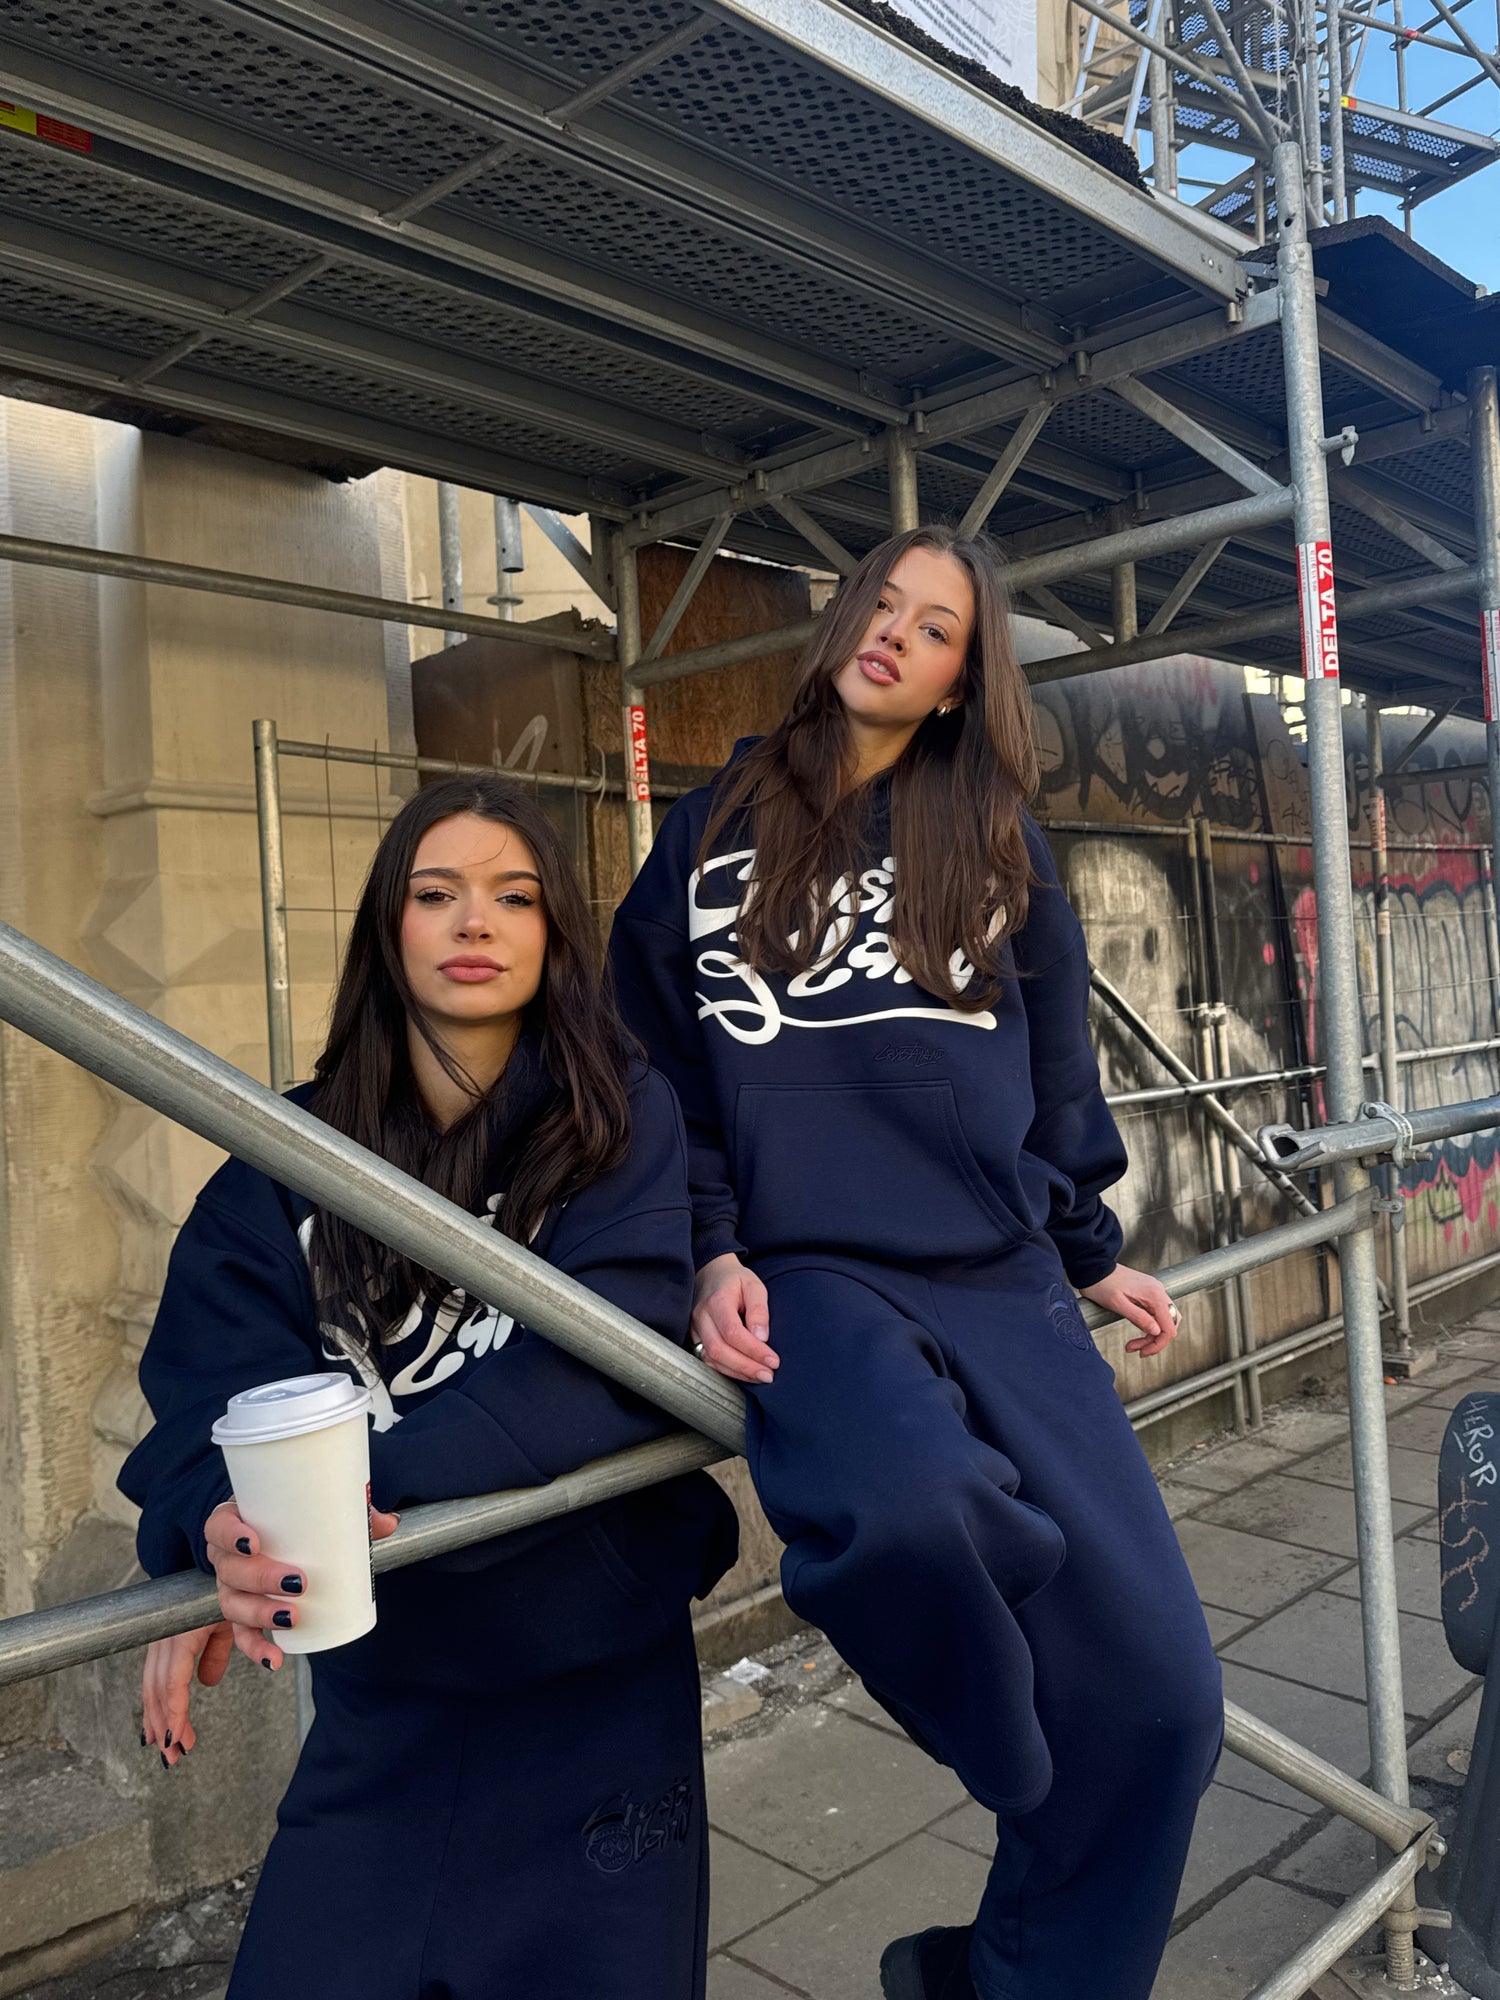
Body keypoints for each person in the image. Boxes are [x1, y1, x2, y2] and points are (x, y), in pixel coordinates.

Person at [609, 526, 1223, 2000]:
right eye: (878, 604)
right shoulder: (708, 831)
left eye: (934, 625)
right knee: (911, 1515)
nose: (893, 632)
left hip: (1001, 1270)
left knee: (1167, 1708)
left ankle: (994, 1981)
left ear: (961, 678)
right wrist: (707, 1248)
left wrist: (1088, 1251)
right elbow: (652, 1073)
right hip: (812, 1271)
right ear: (841, 626)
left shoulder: (997, 839)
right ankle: (1023, 1756)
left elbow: (1060, 1075)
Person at [120, 776, 738, 2000]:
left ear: (555, 932)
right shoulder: (284, 1160)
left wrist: (333, 1509)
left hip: (598, 1689)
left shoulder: (618, 1120)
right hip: (384, 1704)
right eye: (436, 891)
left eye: (515, 895)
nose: (475, 920)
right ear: (386, 929)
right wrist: (208, 1532)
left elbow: (604, 1361)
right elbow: (209, 1387)